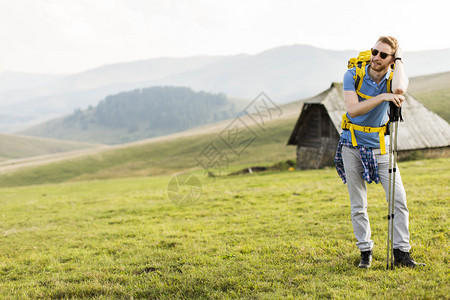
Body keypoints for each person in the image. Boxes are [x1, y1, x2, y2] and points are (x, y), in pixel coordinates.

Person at [335, 36, 425, 268]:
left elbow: (399, 89)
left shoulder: (393, 77)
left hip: (380, 147)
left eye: (383, 55)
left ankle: (401, 253)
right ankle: (365, 251)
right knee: (358, 203)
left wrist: (401, 58)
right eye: (375, 51)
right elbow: (352, 110)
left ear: (392, 60)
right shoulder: (353, 74)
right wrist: (383, 97)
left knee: (398, 200)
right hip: (351, 144)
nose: (376, 57)